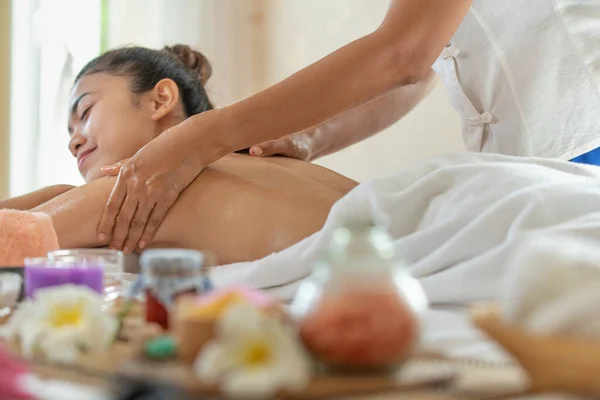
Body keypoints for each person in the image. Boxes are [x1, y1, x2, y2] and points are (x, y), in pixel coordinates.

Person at [98, 0, 600, 253]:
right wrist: (310, 136)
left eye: (85, 111)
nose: (75, 137)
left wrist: (204, 136)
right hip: (527, 180)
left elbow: (402, 55)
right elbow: (417, 72)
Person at [0, 45, 356, 263]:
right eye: (69, 132)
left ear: (161, 100)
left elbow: (11, 240)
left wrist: (61, 197)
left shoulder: (147, 182)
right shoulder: (257, 163)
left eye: (86, 112)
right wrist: (60, 194)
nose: (74, 141)